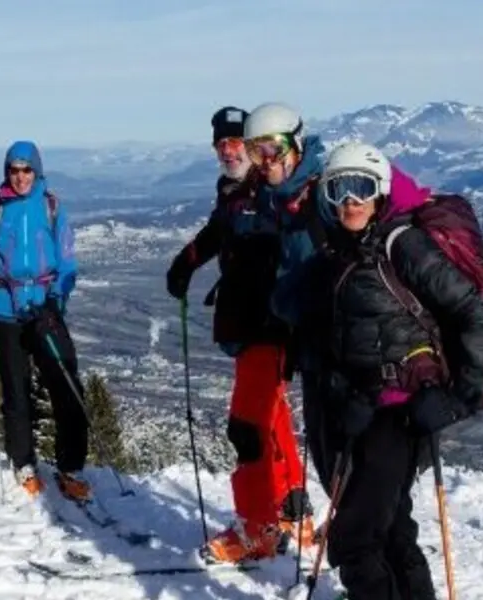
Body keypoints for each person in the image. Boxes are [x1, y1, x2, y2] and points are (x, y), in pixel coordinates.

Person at [300, 142, 483, 600]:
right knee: (390, 529)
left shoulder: (401, 244)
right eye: (339, 189)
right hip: (367, 409)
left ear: (381, 192)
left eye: (361, 188)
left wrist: (457, 398)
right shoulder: (345, 250)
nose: (350, 200)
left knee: (353, 540)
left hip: (403, 412)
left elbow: (475, 313)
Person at [165, 105, 316, 563]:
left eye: (237, 143)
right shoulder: (233, 190)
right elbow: (218, 231)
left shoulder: (271, 190)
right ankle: (293, 512)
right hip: (248, 322)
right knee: (271, 417)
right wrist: (188, 260)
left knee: (245, 426)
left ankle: (257, 530)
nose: (229, 152)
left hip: (271, 323)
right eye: (222, 145)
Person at [0, 140, 92, 502]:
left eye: (26, 170)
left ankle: (71, 466)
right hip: (5, 310)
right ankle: (24, 463)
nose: (20, 177)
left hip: (45, 310)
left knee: (65, 385)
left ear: (37, 171)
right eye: (14, 171)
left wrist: (56, 301)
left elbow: (67, 262)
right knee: (16, 392)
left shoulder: (51, 208)